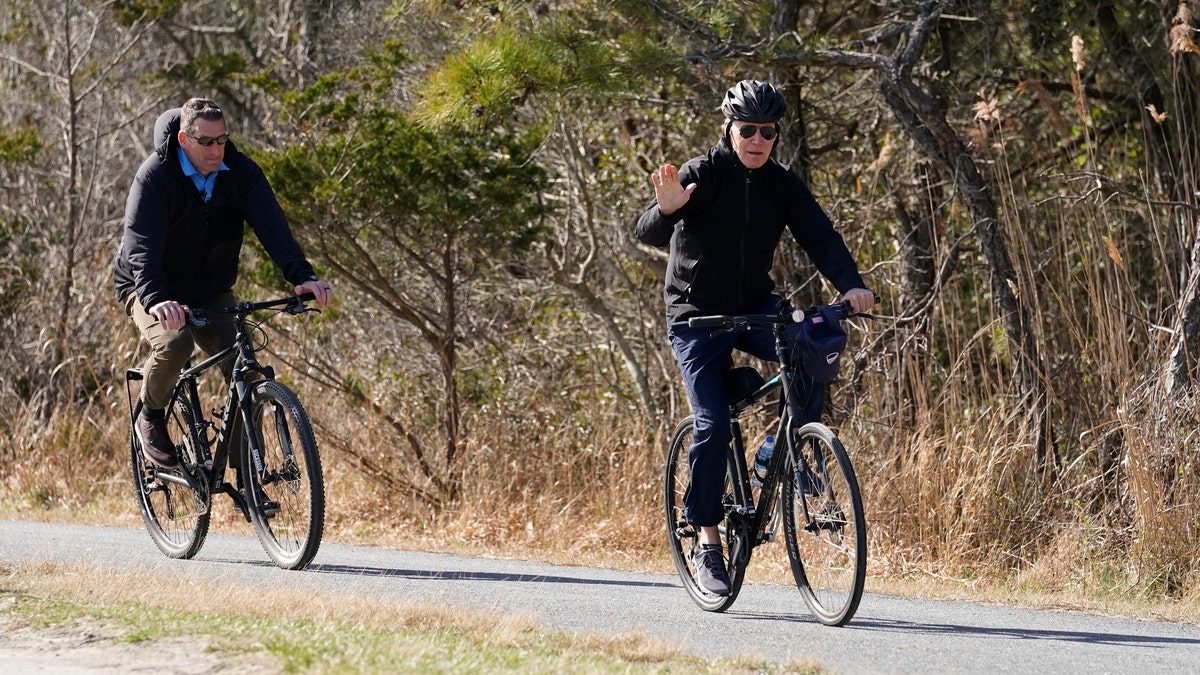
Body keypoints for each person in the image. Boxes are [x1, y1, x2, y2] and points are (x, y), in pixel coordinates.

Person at [635, 80, 875, 596]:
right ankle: (707, 543)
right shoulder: (701, 174)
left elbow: (820, 235)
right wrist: (668, 209)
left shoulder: (781, 185)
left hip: (754, 306)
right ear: (729, 128)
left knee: (812, 345)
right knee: (713, 423)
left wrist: (850, 286)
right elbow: (646, 231)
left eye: (768, 131)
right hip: (695, 316)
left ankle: (775, 450)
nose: (758, 139)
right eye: (748, 130)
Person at [113, 97, 333, 470]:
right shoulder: (155, 176)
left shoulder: (241, 173)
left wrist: (303, 277)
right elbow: (140, 244)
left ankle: (247, 471)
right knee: (176, 343)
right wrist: (156, 298)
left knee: (243, 368)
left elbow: (273, 228)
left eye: (223, 140)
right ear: (184, 140)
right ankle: (149, 416)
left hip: (210, 288)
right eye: (207, 142)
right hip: (150, 285)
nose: (217, 150)